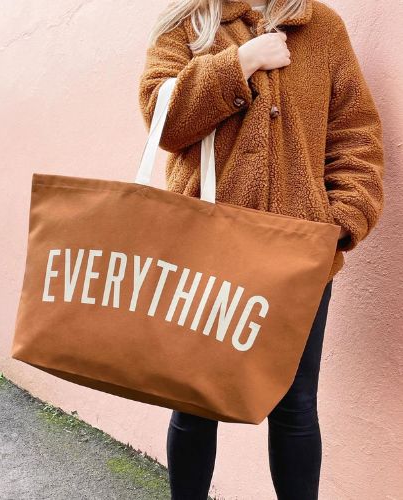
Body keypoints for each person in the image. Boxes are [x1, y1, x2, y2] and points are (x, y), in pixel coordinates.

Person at [137, 0, 385, 498]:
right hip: (205, 249)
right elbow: (163, 122)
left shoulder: (322, 28)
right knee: (195, 401)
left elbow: (355, 134)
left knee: (294, 406)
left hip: (298, 256)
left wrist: (336, 224)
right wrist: (240, 63)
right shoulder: (191, 21)